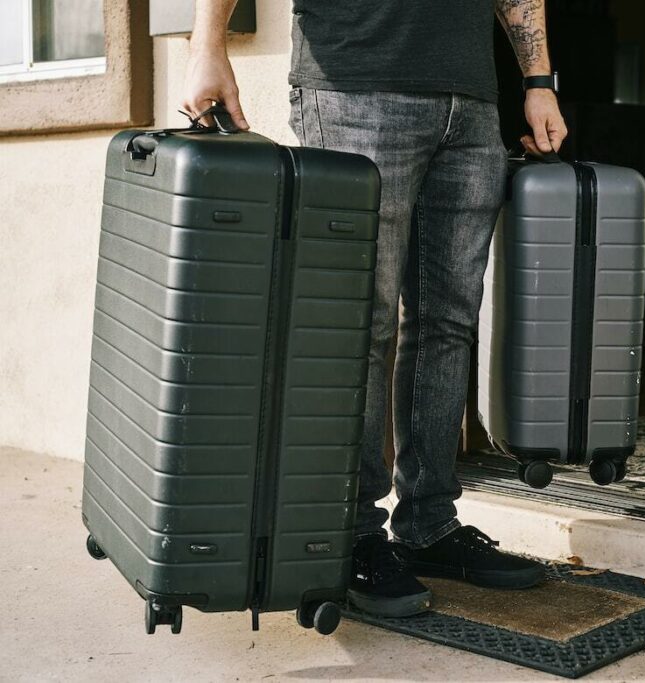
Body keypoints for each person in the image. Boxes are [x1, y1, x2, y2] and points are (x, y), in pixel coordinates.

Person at [183, 0, 569, 617]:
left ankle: (429, 524)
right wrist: (207, 45)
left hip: (470, 104)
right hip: (354, 91)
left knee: (447, 325)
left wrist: (538, 82)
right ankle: (349, 536)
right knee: (360, 327)